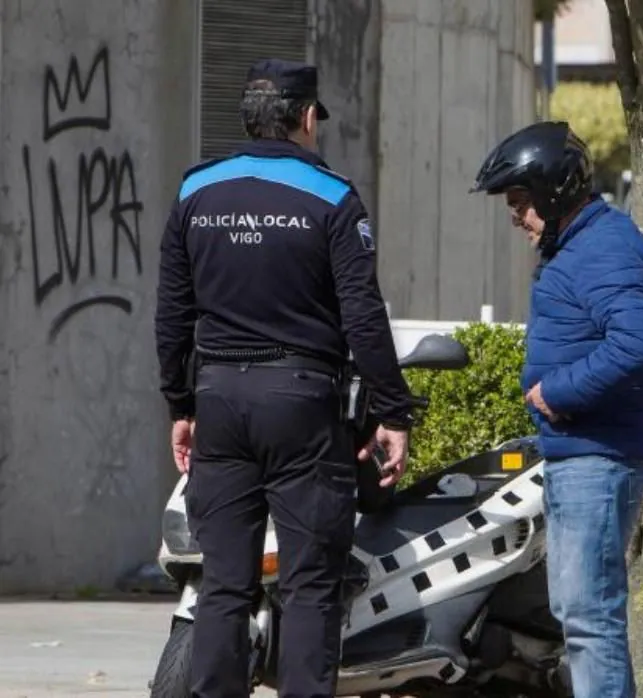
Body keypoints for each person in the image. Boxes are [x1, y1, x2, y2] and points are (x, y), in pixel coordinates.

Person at [154, 58, 416, 698]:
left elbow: (171, 314)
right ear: (304, 118)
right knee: (308, 587)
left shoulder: (195, 192)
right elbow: (363, 316)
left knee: (223, 584)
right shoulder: (331, 197)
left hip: (219, 399)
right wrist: (393, 412)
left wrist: (180, 405)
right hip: (301, 404)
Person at [470, 121, 643, 698]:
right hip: (586, 453)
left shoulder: (604, 246)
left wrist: (558, 392)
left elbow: (635, 342)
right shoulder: (583, 244)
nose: (514, 216)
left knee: (588, 618)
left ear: (555, 193)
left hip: (600, 456)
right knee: (583, 614)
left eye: (520, 201)